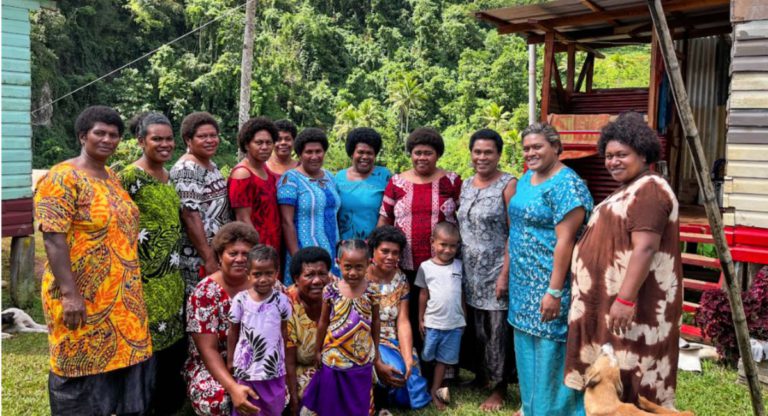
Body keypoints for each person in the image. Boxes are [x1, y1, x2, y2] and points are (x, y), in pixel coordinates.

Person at [35, 106, 153, 415]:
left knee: (121, 370)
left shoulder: (112, 177)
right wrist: (70, 294)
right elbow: (53, 237)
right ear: (82, 136)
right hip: (81, 295)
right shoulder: (62, 176)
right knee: (78, 364)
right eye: (99, 133)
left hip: (121, 299)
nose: (107, 139)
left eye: (114, 135)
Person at [564, 112, 682, 408]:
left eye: (622, 155)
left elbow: (645, 248)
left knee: (632, 375)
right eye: (608, 155)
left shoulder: (650, 190)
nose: (612, 161)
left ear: (642, 154)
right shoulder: (631, 187)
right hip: (615, 306)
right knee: (614, 370)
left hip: (637, 309)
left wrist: (626, 299)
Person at [507, 123, 593, 416]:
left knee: (550, 350)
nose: (530, 153)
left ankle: (555, 411)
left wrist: (554, 291)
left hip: (549, 282)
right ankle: (530, 406)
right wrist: (506, 273)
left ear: (556, 148)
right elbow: (514, 229)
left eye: (537, 147)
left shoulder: (567, 185)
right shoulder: (526, 179)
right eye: (527, 148)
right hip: (522, 283)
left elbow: (566, 241)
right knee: (526, 346)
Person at [119, 112, 187, 415]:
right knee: (146, 355)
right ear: (140, 140)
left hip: (171, 279)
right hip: (143, 280)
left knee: (171, 353)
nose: (164, 144)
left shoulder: (168, 175)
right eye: (156, 138)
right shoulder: (129, 177)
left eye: (168, 138)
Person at [378, 127, 462, 350]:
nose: (422, 157)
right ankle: (410, 361)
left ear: (438, 154)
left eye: (428, 153)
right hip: (405, 264)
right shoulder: (397, 182)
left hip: (441, 265)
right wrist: (376, 254)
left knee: (439, 314)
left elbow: (463, 218)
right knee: (409, 311)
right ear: (410, 153)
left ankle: (440, 366)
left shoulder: (451, 182)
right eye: (417, 152)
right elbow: (384, 219)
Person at [456, 128, 517, 411]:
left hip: (496, 269)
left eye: (488, 152)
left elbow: (513, 231)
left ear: (498, 155)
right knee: (476, 327)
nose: (482, 157)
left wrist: (505, 273)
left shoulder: (508, 184)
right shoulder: (466, 184)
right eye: (477, 152)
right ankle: (481, 376)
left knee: (497, 330)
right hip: (470, 270)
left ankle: (499, 388)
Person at [184, 222, 260, 416]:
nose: (240, 259)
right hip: (213, 363)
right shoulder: (205, 293)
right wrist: (233, 387)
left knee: (267, 390)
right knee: (216, 398)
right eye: (233, 253)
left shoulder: (265, 287)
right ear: (219, 256)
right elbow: (208, 350)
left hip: (255, 360)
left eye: (246, 254)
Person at [302, 240, 381, 416]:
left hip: (361, 357)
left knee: (358, 399)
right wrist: (317, 350)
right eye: (348, 267)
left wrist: (376, 351)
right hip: (333, 356)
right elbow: (323, 322)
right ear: (339, 264)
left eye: (359, 267)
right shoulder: (331, 290)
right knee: (331, 400)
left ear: (368, 264)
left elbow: (376, 322)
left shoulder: (372, 291)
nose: (353, 273)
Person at [367, 226, 431, 410]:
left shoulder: (401, 279)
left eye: (395, 253)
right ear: (373, 250)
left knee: (410, 382)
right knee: (395, 371)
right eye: (384, 251)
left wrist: (408, 355)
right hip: (367, 340)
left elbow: (402, 321)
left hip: (393, 339)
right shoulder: (359, 277)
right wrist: (377, 360)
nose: (390, 257)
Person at [171, 111, 232, 296]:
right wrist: (209, 258)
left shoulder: (210, 164)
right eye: (202, 136)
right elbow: (189, 215)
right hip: (198, 257)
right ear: (188, 140)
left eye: (213, 135)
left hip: (216, 252)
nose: (210, 140)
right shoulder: (187, 169)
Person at [226, 244, 292, 416]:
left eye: (268, 273)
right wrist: (231, 359)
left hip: (273, 366)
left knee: (273, 406)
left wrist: (285, 358)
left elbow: (284, 331)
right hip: (246, 367)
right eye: (257, 274)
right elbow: (233, 331)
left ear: (277, 273)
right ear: (248, 274)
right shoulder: (240, 300)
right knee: (247, 407)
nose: (263, 279)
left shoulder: (282, 301)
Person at [277, 128, 341, 284]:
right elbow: (287, 222)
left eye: (318, 151)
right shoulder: (290, 179)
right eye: (308, 152)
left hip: (332, 253)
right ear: (299, 154)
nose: (314, 156)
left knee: (331, 301)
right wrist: (297, 260)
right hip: (304, 255)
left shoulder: (330, 177)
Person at [415, 222, 466, 411]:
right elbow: (423, 294)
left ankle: (437, 391)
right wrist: (421, 318)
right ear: (433, 243)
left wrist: (464, 317)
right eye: (443, 244)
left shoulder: (459, 266)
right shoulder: (425, 267)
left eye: (453, 245)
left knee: (445, 360)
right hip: (433, 323)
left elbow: (460, 293)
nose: (447, 249)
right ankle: (422, 387)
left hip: (453, 325)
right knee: (427, 356)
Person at [284, 247, 333, 416]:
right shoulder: (287, 305)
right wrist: (293, 401)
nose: (318, 281)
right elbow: (288, 360)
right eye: (309, 275)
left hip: (334, 364)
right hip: (299, 368)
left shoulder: (338, 295)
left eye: (322, 274)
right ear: (296, 279)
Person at [228, 116, 282, 255]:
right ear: (247, 145)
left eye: (268, 143)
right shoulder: (242, 174)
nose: (264, 147)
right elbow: (243, 219)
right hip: (256, 249)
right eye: (259, 143)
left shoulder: (266, 171)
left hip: (273, 244)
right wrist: (259, 251)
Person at [335, 128, 392, 240]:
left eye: (369, 153)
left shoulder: (384, 175)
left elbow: (389, 212)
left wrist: (374, 241)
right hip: (345, 247)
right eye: (360, 152)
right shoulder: (338, 177)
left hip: (375, 245)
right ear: (352, 153)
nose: (365, 157)